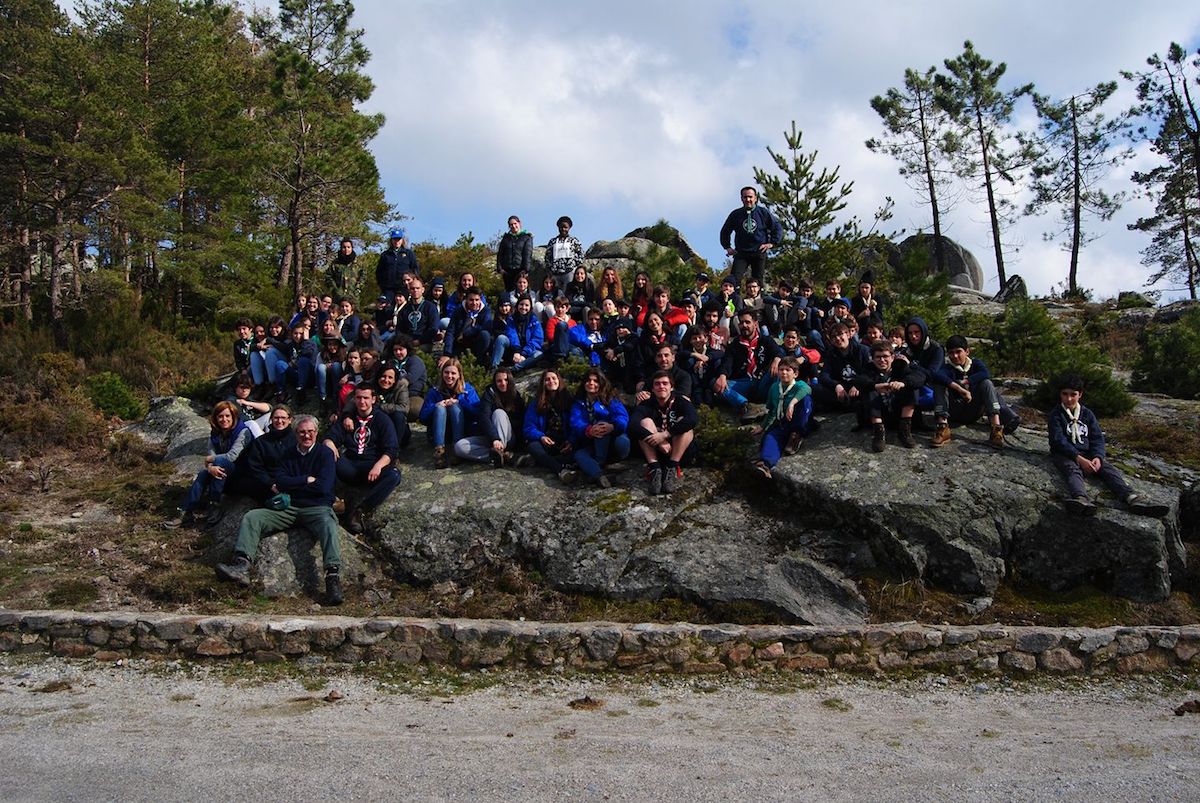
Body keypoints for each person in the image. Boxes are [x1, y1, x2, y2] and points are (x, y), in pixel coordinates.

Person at [216, 414, 345, 606]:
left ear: (317, 433)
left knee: (328, 524)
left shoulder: (324, 454)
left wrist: (295, 484)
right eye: (302, 432)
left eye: (310, 432)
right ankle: (241, 565)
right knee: (253, 517)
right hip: (289, 507)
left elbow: (324, 487)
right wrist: (305, 480)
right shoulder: (287, 454)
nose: (306, 436)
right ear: (296, 434)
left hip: (316, 508)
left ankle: (332, 577)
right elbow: (281, 482)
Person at [1048, 376, 1169, 517]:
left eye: (1073, 394)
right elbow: (1058, 441)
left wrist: (1098, 457)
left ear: (1080, 394)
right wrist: (1079, 458)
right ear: (1060, 394)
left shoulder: (1087, 414)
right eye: (1065, 394)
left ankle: (1132, 498)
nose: (1069, 399)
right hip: (1065, 454)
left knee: (1109, 470)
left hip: (1088, 454)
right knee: (1072, 470)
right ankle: (1080, 498)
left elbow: (1097, 438)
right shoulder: (1056, 414)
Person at [324, 385, 402, 534]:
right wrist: (329, 443)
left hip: (371, 466)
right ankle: (334, 500)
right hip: (350, 465)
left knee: (394, 475)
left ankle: (360, 510)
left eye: (366, 398)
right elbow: (330, 436)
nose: (362, 402)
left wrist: (379, 465)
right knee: (327, 455)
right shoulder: (348, 419)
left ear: (373, 399)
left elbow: (391, 449)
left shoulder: (382, 420)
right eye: (358, 398)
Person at [166, 401, 253, 528]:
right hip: (222, 471)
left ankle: (214, 503)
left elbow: (232, 456)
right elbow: (211, 456)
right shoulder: (215, 433)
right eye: (220, 416)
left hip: (241, 472)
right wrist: (210, 467)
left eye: (228, 416)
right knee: (203, 474)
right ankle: (185, 512)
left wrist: (211, 460)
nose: (224, 419)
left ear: (234, 416)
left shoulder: (243, 432)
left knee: (220, 461)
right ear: (215, 418)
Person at [937, 335, 1021, 449]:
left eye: (958, 352)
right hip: (954, 411)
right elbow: (938, 376)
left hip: (973, 410)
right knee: (940, 385)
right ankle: (942, 426)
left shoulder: (975, 364)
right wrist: (959, 388)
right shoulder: (947, 368)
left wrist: (966, 381)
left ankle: (996, 429)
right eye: (951, 353)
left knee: (986, 383)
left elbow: (985, 373)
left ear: (967, 351)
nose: (955, 356)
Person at [629, 370, 698, 495]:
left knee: (684, 422)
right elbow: (632, 425)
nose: (661, 386)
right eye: (657, 384)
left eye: (665, 383)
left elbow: (693, 419)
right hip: (656, 450)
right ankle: (654, 469)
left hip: (678, 451)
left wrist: (665, 435)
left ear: (671, 387)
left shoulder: (680, 401)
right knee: (645, 422)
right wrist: (658, 442)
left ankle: (672, 467)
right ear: (653, 388)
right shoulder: (646, 405)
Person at [851, 340, 921, 452]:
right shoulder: (869, 369)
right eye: (878, 357)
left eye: (885, 356)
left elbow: (919, 378)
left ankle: (904, 430)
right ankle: (879, 433)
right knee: (869, 389)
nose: (882, 360)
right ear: (872, 358)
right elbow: (860, 380)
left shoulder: (901, 367)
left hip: (899, 413)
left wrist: (903, 383)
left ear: (892, 357)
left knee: (911, 387)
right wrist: (875, 386)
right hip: (880, 414)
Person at [752, 356, 814, 478]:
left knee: (805, 400)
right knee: (771, 436)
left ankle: (796, 435)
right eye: (781, 369)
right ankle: (765, 464)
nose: (784, 372)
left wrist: (792, 403)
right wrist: (763, 426)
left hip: (799, 421)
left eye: (788, 370)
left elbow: (807, 389)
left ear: (795, 373)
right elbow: (772, 411)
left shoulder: (799, 385)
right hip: (782, 422)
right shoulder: (774, 388)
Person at [714, 310, 781, 420]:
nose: (744, 325)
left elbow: (778, 352)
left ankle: (776, 407)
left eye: (747, 322)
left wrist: (777, 360)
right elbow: (727, 363)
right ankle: (745, 405)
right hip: (744, 382)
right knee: (718, 385)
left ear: (755, 323)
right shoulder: (735, 344)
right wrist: (722, 375)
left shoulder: (765, 340)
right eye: (741, 322)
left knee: (779, 371)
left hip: (762, 381)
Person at [568, 368, 630, 488]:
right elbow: (575, 423)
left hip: (615, 443)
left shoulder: (611, 398)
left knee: (602, 424)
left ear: (601, 383)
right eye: (588, 380)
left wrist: (612, 426)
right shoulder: (578, 403)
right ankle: (599, 475)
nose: (591, 383)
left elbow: (622, 417)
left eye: (595, 381)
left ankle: (598, 464)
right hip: (593, 444)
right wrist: (588, 430)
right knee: (579, 455)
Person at [453, 368, 526, 467]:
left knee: (498, 413)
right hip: (491, 438)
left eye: (506, 380)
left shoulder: (516, 396)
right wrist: (494, 438)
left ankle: (500, 451)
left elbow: (520, 421)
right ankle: (502, 457)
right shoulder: (489, 394)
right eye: (499, 381)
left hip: (509, 438)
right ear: (495, 382)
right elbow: (484, 417)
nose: (503, 383)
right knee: (459, 446)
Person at [419, 358, 481, 469]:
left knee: (455, 406)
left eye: (453, 373)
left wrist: (460, 402)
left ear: (459, 375)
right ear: (442, 373)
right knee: (440, 408)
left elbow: (477, 412)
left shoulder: (468, 390)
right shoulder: (434, 391)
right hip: (441, 432)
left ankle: (456, 449)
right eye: (446, 372)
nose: (449, 376)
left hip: (462, 430)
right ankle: (439, 451)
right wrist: (436, 406)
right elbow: (423, 417)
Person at [521, 368, 578, 483]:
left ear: (559, 380)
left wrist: (571, 441)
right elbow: (528, 427)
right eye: (547, 379)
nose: (551, 381)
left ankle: (538, 461)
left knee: (578, 454)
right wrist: (541, 437)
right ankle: (561, 470)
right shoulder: (536, 403)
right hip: (545, 443)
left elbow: (576, 424)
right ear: (543, 383)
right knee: (533, 446)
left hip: (564, 443)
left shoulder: (569, 401)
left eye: (554, 378)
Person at [719, 186, 782, 286]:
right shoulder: (736, 214)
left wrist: (772, 243)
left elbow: (777, 227)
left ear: (755, 198)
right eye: (745, 197)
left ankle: (758, 301)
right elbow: (725, 231)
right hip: (741, 252)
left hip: (759, 251)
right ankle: (733, 301)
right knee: (734, 280)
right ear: (741, 198)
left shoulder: (763, 212)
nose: (748, 200)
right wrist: (727, 247)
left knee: (758, 281)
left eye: (750, 197)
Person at [903, 317, 951, 446]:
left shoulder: (936, 349)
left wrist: (911, 365)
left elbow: (932, 373)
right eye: (910, 333)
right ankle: (911, 423)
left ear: (923, 332)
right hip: (917, 389)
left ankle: (942, 424)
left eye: (917, 332)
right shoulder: (907, 350)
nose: (913, 336)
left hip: (933, 390)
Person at [813, 322, 872, 414]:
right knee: (814, 388)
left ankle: (847, 405)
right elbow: (824, 375)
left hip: (859, 387)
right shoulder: (831, 353)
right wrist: (836, 385)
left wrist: (858, 384)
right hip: (841, 388)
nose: (837, 338)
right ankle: (846, 404)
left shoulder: (863, 350)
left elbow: (870, 371)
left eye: (840, 334)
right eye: (833, 337)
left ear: (848, 334)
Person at [442, 286, 494, 368]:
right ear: (466, 299)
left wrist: (469, 331)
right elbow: (450, 332)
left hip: (477, 344)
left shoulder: (486, 311)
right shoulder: (458, 311)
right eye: (471, 300)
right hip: (460, 344)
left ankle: (479, 362)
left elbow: (487, 327)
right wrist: (447, 353)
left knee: (485, 335)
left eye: (477, 300)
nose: (474, 303)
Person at [376, 228, 420, 304]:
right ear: (391, 240)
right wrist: (382, 285)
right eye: (395, 239)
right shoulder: (385, 255)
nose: (397, 241)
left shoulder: (409, 254)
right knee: (387, 309)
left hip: (404, 288)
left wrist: (412, 283)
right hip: (389, 289)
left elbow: (415, 269)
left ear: (402, 240)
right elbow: (379, 272)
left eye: (398, 239)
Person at [394, 275, 439, 349]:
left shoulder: (430, 307)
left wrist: (419, 341)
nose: (415, 290)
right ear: (409, 290)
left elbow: (433, 328)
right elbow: (399, 329)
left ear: (423, 290)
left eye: (418, 288)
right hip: (407, 343)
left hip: (424, 342)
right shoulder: (404, 309)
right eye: (412, 288)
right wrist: (405, 342)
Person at [497, 215, 533, 293]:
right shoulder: (506, 238)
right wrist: (500, 268)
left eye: (515, 223)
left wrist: (526, 270)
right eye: (511, 225)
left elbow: (527, 254)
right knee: (509, 292)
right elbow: (500, 254)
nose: (513, 226)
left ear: (519, 223)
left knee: (521, 291)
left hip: (520, 270)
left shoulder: (526, 237)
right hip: (507, 271)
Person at [545, 215, 583, 288]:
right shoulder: (553, 241)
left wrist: (574, 266)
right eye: (561, 227)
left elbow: (581, 254)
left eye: (565, 227)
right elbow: (547, 256)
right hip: (555, 273)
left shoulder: (574, 241)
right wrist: (550, 268)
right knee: (556, 295)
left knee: (568, 293)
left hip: (569, 273)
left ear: (569, 228)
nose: (563, 229)